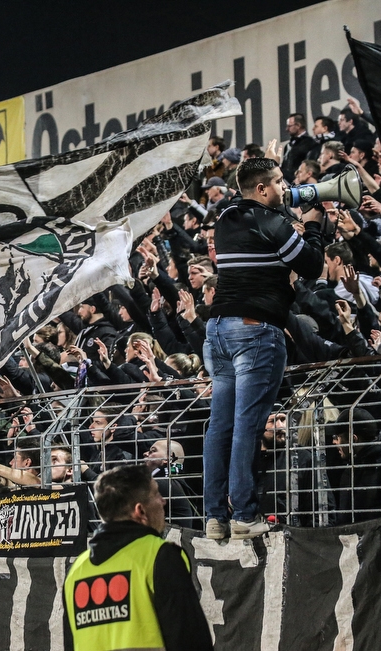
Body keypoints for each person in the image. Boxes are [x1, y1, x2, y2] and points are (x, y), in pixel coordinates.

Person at [204, 157, 325, 540]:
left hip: (218, 331)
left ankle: (214, 517)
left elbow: (269, 246)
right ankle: (243, 514)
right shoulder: (270, 222)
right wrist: (314, 226)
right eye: (277, 182)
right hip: (255, 332)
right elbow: (312, 265)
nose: (283, 187)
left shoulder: (226, 217)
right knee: (247, 426)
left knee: (219, 427)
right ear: (261, 189)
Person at [63, 464, 212, 651]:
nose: (163, 501)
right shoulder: (160, 556)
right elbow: (190, 639)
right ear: (140, 511)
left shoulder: (76, 570)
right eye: (156, 495)